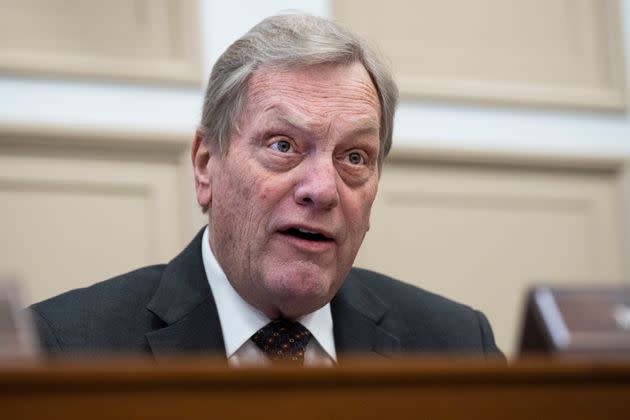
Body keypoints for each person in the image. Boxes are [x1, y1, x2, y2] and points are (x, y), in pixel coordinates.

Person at [29, 14, 503, 365]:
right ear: (205, 165)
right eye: (283, 146)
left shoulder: (458, 346)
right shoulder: (63, 349)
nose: (322, 190)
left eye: (354, 157)